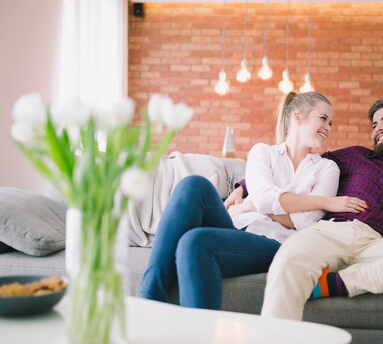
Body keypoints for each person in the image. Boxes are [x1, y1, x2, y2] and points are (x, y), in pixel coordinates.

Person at [228, 99, 383, 320]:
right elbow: (301, 165)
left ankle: (338, 283)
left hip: (379, 246)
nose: (378, 128)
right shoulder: (354, 156)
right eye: (374, 125)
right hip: (329, 233)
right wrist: (244, 186)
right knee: (287, 263)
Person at [140, 91, 359, 310]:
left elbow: (303, 222)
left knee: (195, 241)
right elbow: (264, 199)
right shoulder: (262, 152)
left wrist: (252, 205)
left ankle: (199, 339)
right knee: (193, 184)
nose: (328, 127)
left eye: (331, 122)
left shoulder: (327, 168)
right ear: (298, 117)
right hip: (235, 229)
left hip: (277, 243)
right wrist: (320, 202)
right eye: (323, 119)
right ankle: (150, 299)